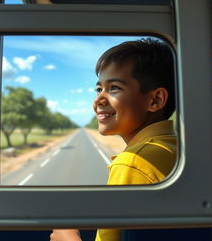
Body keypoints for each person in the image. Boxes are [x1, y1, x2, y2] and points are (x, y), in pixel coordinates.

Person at [50, 38, 177, 241]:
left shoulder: (135, 163)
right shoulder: (175, 148)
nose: (99, 99)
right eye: (99, 89)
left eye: (114, 88)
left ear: (155, 100)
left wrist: (67, 237)